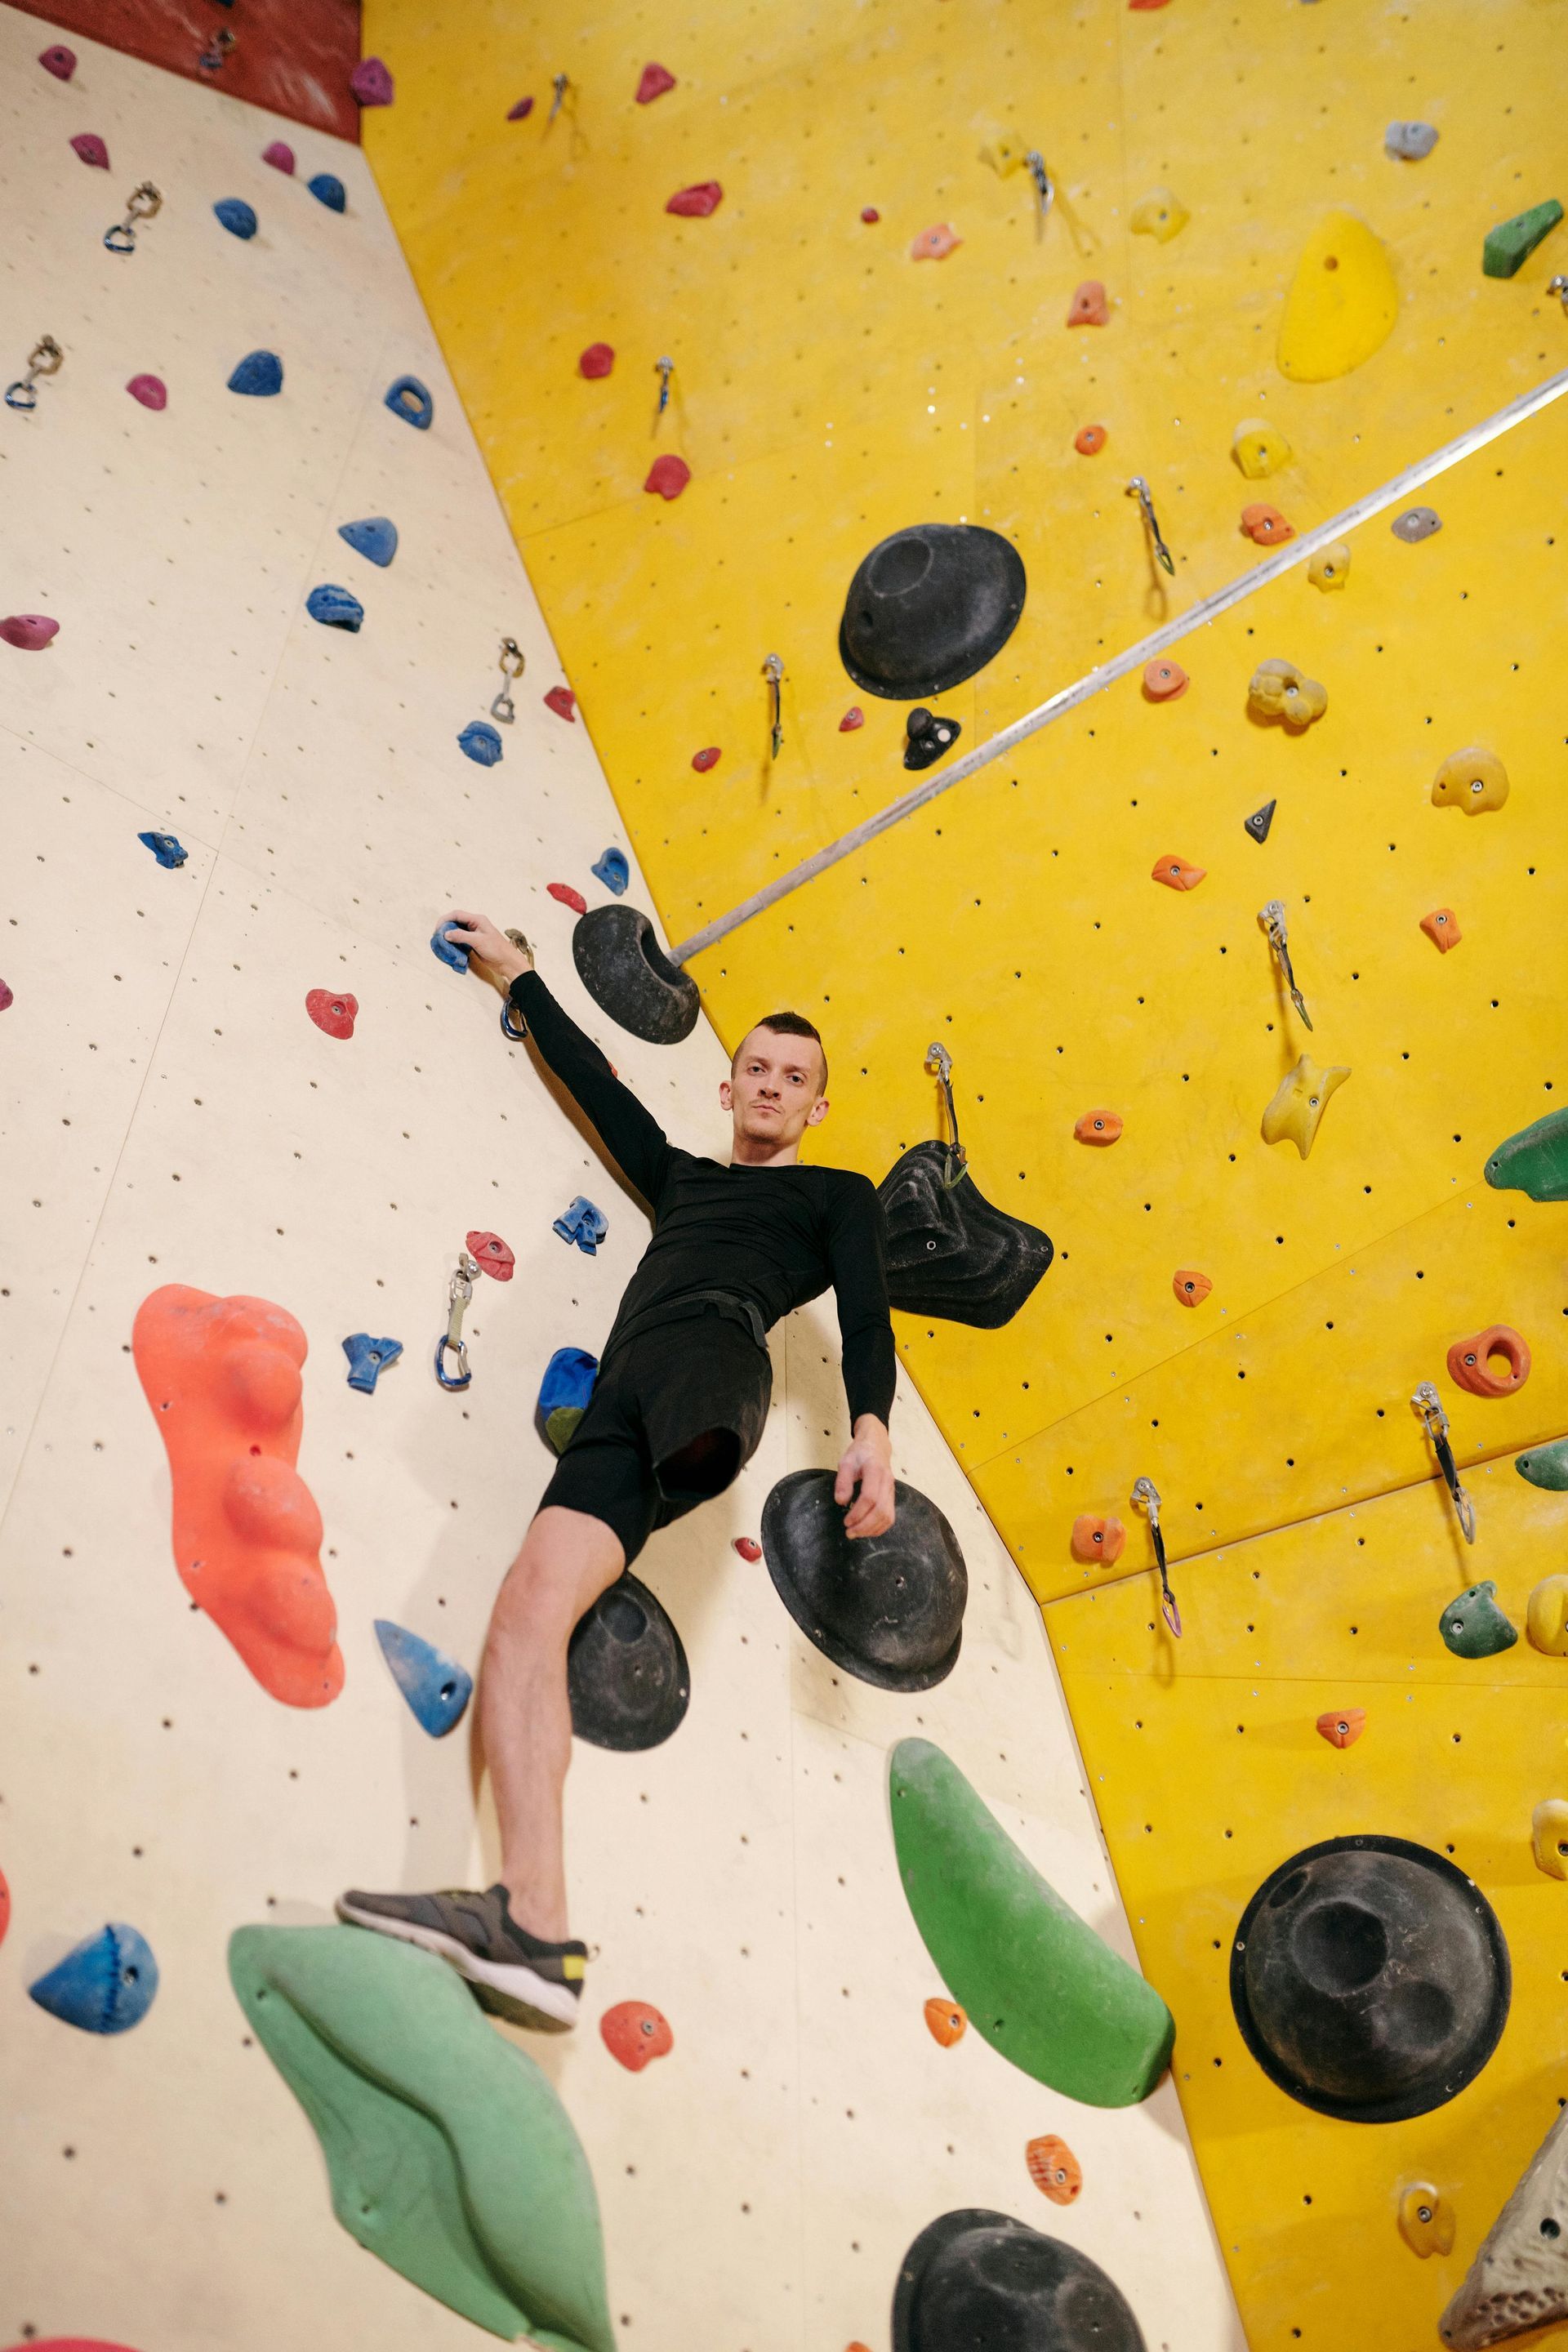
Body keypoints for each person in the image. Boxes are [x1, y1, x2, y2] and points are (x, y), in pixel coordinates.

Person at [338, 910, 897, 2029]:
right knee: (524, 1616)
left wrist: (871, 1427)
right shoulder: (684, 1180)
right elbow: (602, 1092)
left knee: (558, 1574)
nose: (774, 1086)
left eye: (797, 1077)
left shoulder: (833, 1196)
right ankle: (535, 1926)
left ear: (820, 1105)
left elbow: (868, 1306)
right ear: (729, 1089)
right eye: (757, 1070)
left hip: (712, 1367)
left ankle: (529, 1924)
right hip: (621, 1396)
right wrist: (523, 977)